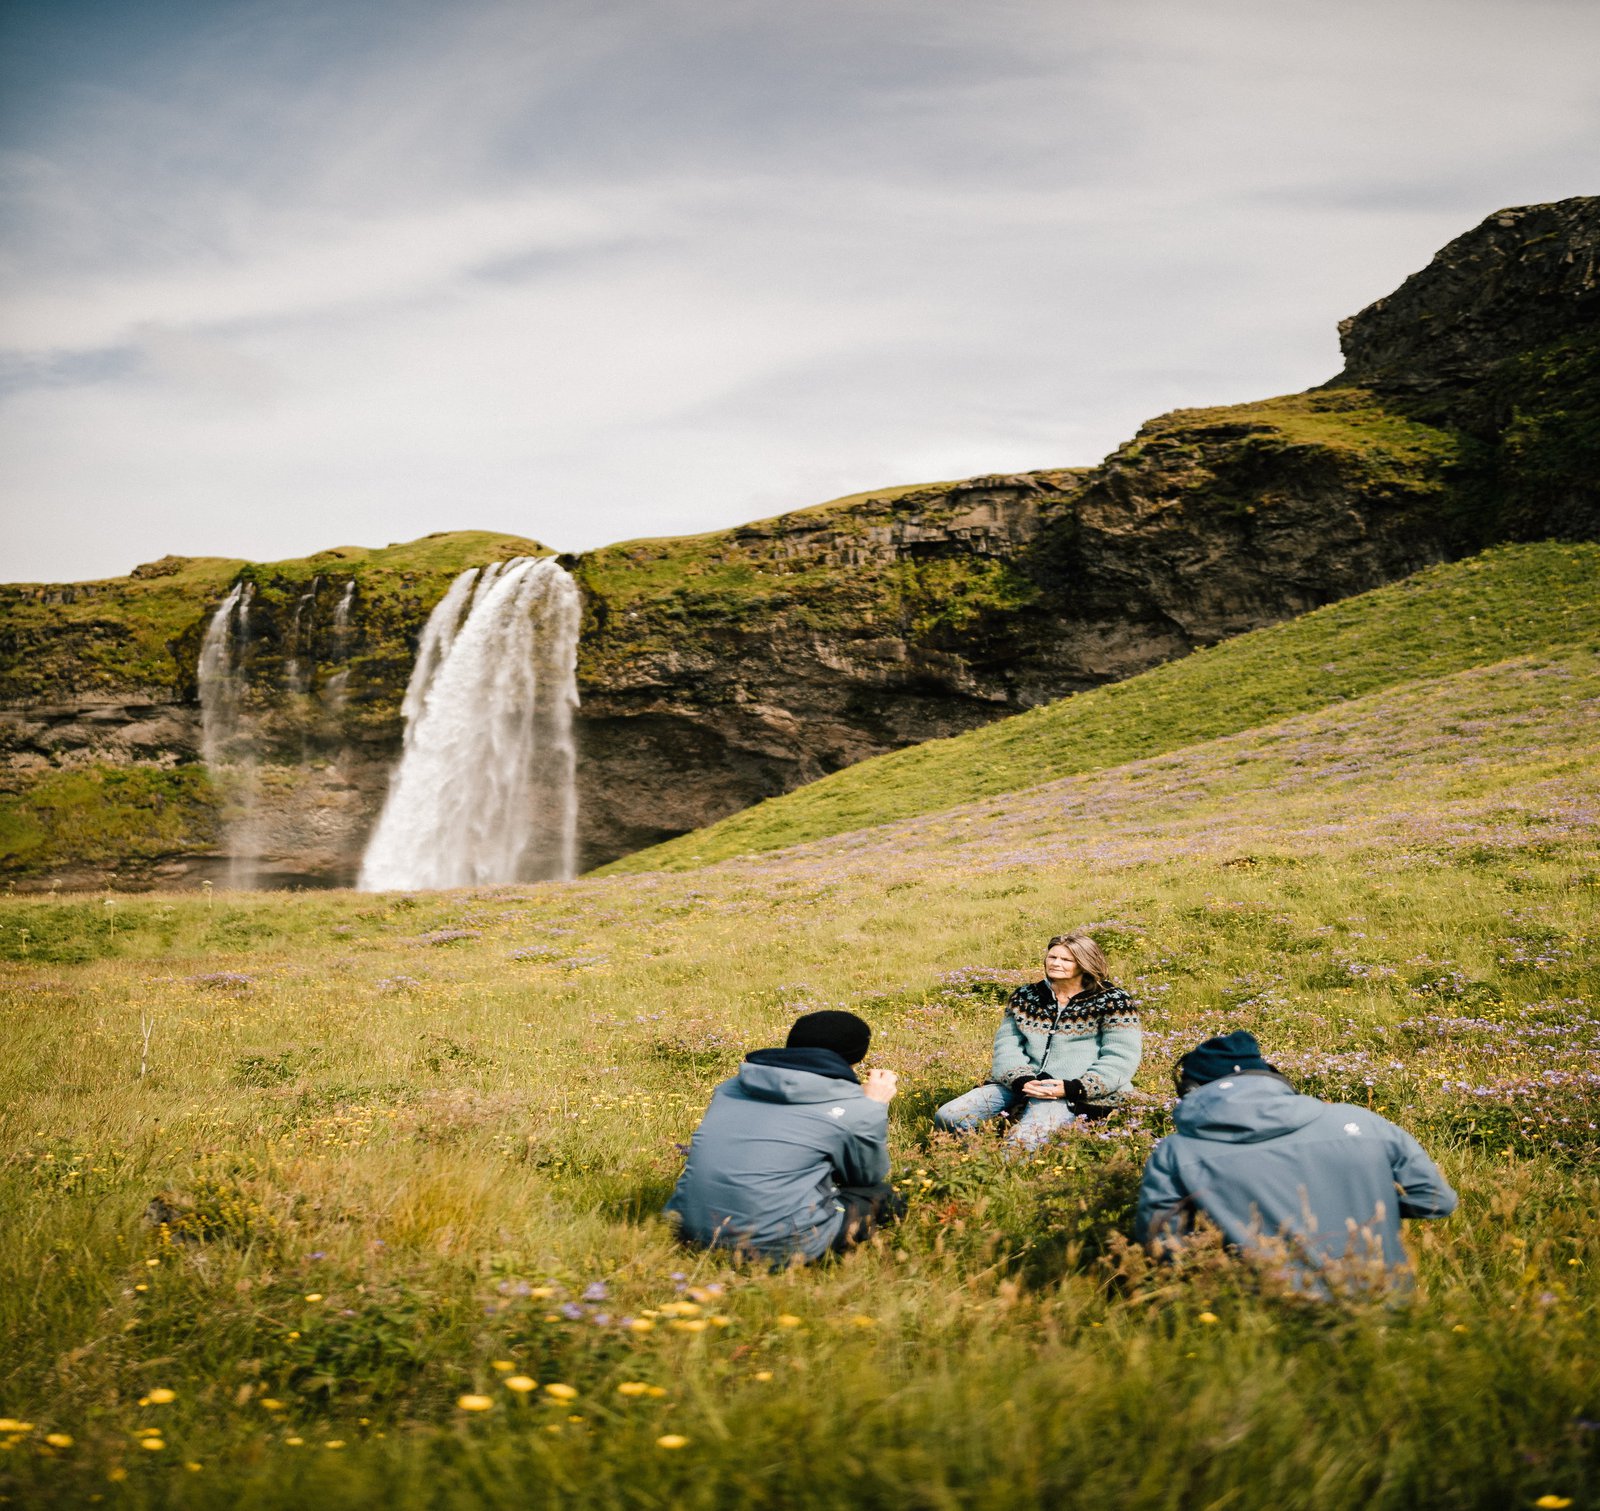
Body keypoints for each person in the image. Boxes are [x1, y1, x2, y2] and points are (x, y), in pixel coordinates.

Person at [1135, 1030, 1458, 1291]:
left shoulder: (1177, 1152)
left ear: (1190, 1090)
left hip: (1265, 1318)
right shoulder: (1364, 1122)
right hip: (1383, 1306)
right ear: (1274, 1077)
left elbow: (1164, 1245)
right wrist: (1371, 1208)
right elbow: (1437, 1201)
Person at [665, 1009, 904, 1263]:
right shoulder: (854, 1105)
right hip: (780, 1247)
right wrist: (874, 1106)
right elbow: (867, 1176)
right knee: (885, 1197)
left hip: (688, 1230)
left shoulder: (730, 1087)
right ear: (858, 1056)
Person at [934, 932, 1141, 1148]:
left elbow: (1121, 1057)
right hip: (1022, 1083)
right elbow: (1007, 1046)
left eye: (1066, 959)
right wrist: (1021, 1080)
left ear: (1084, 963)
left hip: (1072, 1091)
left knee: (1022, 1143)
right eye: (1052, 957)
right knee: (949, 1116)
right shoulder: (1025, 996)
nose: (1056, 963)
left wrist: (1073, 1088)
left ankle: (1011, 1173)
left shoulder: (1114, 1000)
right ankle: (973, 1159)